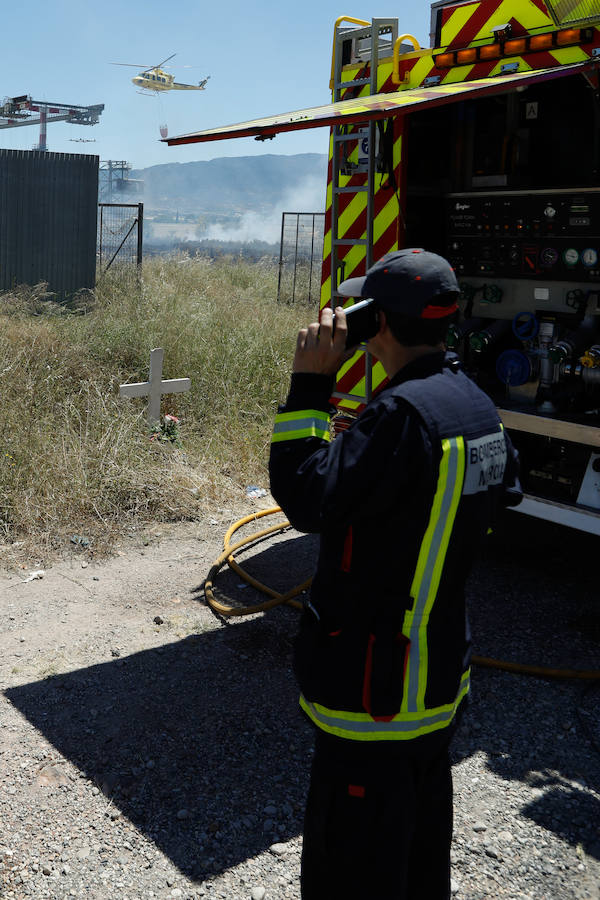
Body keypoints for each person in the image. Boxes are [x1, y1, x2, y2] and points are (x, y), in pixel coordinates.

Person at [268, 248, 522, 900]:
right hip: (435, 689)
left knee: (352, 871)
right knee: (416, 854)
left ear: (374, 320)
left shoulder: (401, 419)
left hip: (374, 696)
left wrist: (310, 385)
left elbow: (303, 495)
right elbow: (504, 492)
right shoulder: (474, 406)